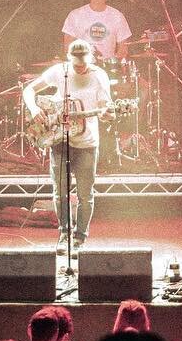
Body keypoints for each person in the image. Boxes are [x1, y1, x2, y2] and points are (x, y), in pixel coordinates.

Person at [23, 39, 116, 251]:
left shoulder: (99, 76)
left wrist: (108, 114)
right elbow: (29, 90)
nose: (80, 66)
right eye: (76, 63)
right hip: (59, 140)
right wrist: (35, 110)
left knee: (85, 194)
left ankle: (80, 237)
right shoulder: (59, 71)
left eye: (83, 62)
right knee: (60, 192)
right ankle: (64, 233)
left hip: (87, 142)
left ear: (90, 58)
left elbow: (105, 110)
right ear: (69, 58)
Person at [61, 0, 132, 61]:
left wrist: (113, 63)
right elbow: (67, 47)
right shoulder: (75, 15)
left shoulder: (117, 16)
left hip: (108, 70)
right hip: (82, 69)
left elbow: (123, 49)